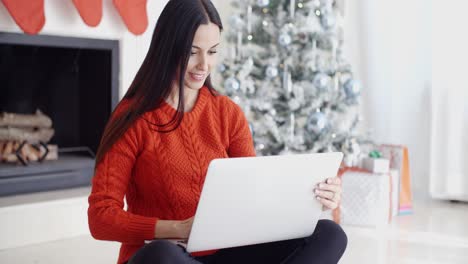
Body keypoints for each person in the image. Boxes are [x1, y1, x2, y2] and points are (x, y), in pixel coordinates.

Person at [87, 0, 347, 263]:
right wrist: (178, 229)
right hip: (168, 257)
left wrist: (314, 198)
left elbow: (255, 195)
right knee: (161, 254)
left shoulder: (227, 113)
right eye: (192, 52)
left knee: (329, 233)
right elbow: (101, 218)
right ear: (167, 48)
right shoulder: (133, 117)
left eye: (212, 52)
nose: (204, 64)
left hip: (226, 254)